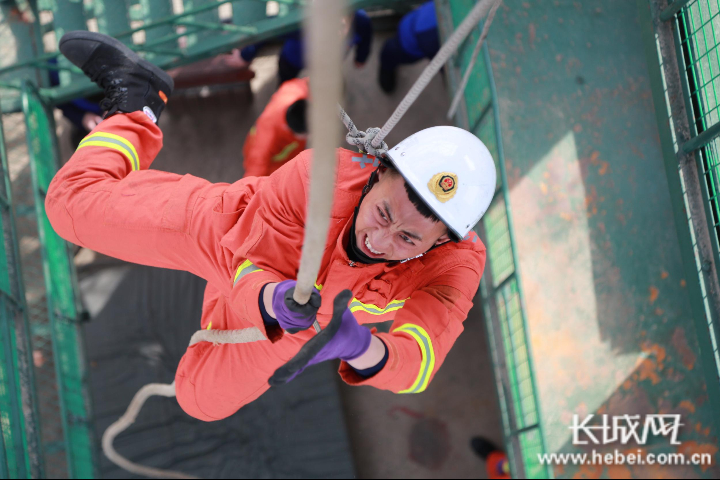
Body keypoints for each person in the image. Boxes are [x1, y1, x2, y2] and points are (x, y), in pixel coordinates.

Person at [46, 31, 496, 422]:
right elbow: (249, 263)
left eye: (408, 239)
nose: (378, 241)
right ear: (378, 172)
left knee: (198, 398)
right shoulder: (320, 176)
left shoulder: (455, 266)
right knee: (69, 207)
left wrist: (359, 347)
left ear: (443, 241)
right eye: (383, 213)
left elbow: (419, 359)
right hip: (235, 236)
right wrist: (270, 298)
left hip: (300, 324)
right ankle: (137, 107)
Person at [240, 10, 373, 84]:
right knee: (286, 81)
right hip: (294, 60)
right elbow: (267, 28)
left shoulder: (361, 22)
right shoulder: (300, 22)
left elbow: (365, 40)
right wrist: (245, 54)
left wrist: (361, 57)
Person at [242, 77, 308, 178]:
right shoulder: (265, 141)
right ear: (296, 132)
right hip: (272, 169)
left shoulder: (296, 90)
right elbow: (252, 178)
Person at [379, 1, 440, 94]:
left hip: (407, 45)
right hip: (410, 32)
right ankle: (387, 77)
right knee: (389, 52)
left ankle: (386, 79)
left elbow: (429, 46)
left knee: (388, 54)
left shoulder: (427, 35)